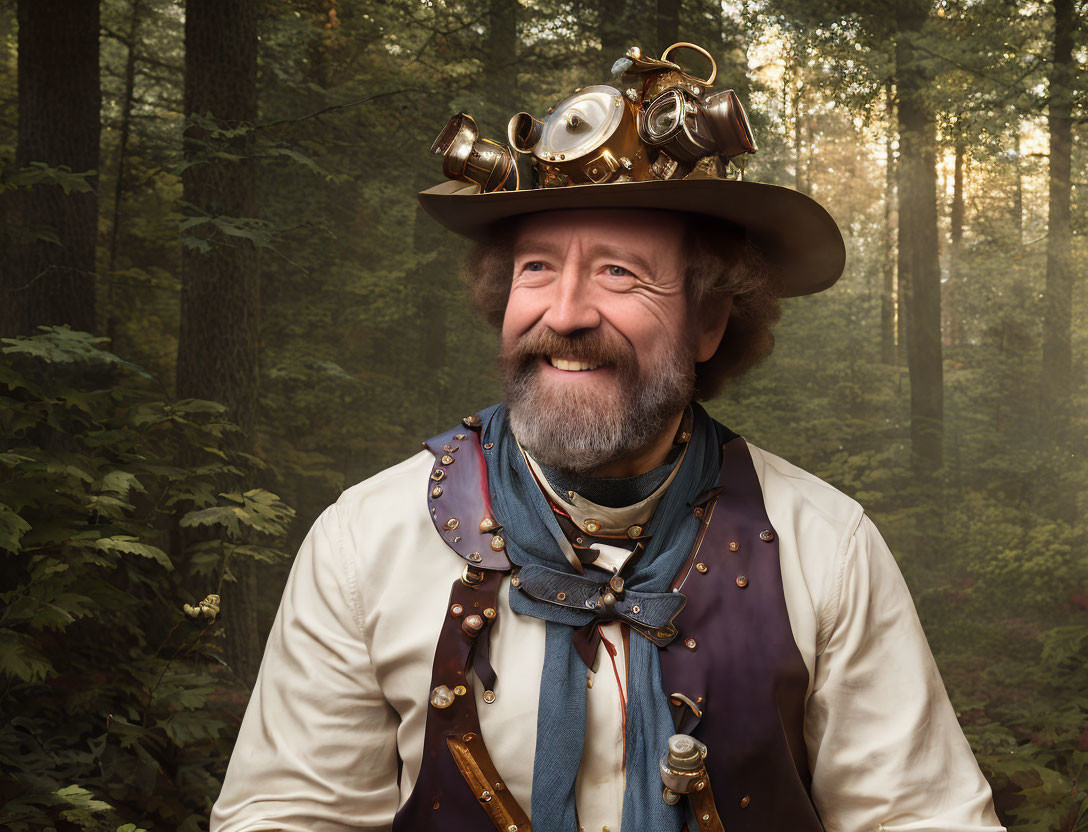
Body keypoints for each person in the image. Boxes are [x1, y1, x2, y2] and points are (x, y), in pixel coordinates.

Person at [211, 42, 1004, 832]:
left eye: (620, 272)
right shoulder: (364, 541)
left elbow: (922, 820)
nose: (565, 313)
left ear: (709, 321)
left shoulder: (827, 545)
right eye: (536, 269)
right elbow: (286, 819)